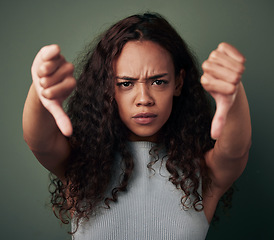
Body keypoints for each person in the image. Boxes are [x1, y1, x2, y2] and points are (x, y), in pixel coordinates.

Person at [23, 13, 251, 239]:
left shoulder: (203, 171)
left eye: (158, 82)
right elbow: (40, 142)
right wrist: (39, 90)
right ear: (107, 88)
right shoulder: (83, 165)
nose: (144, 98)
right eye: (125, 83)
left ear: (178, 83)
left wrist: (234, 92)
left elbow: (235, 150)